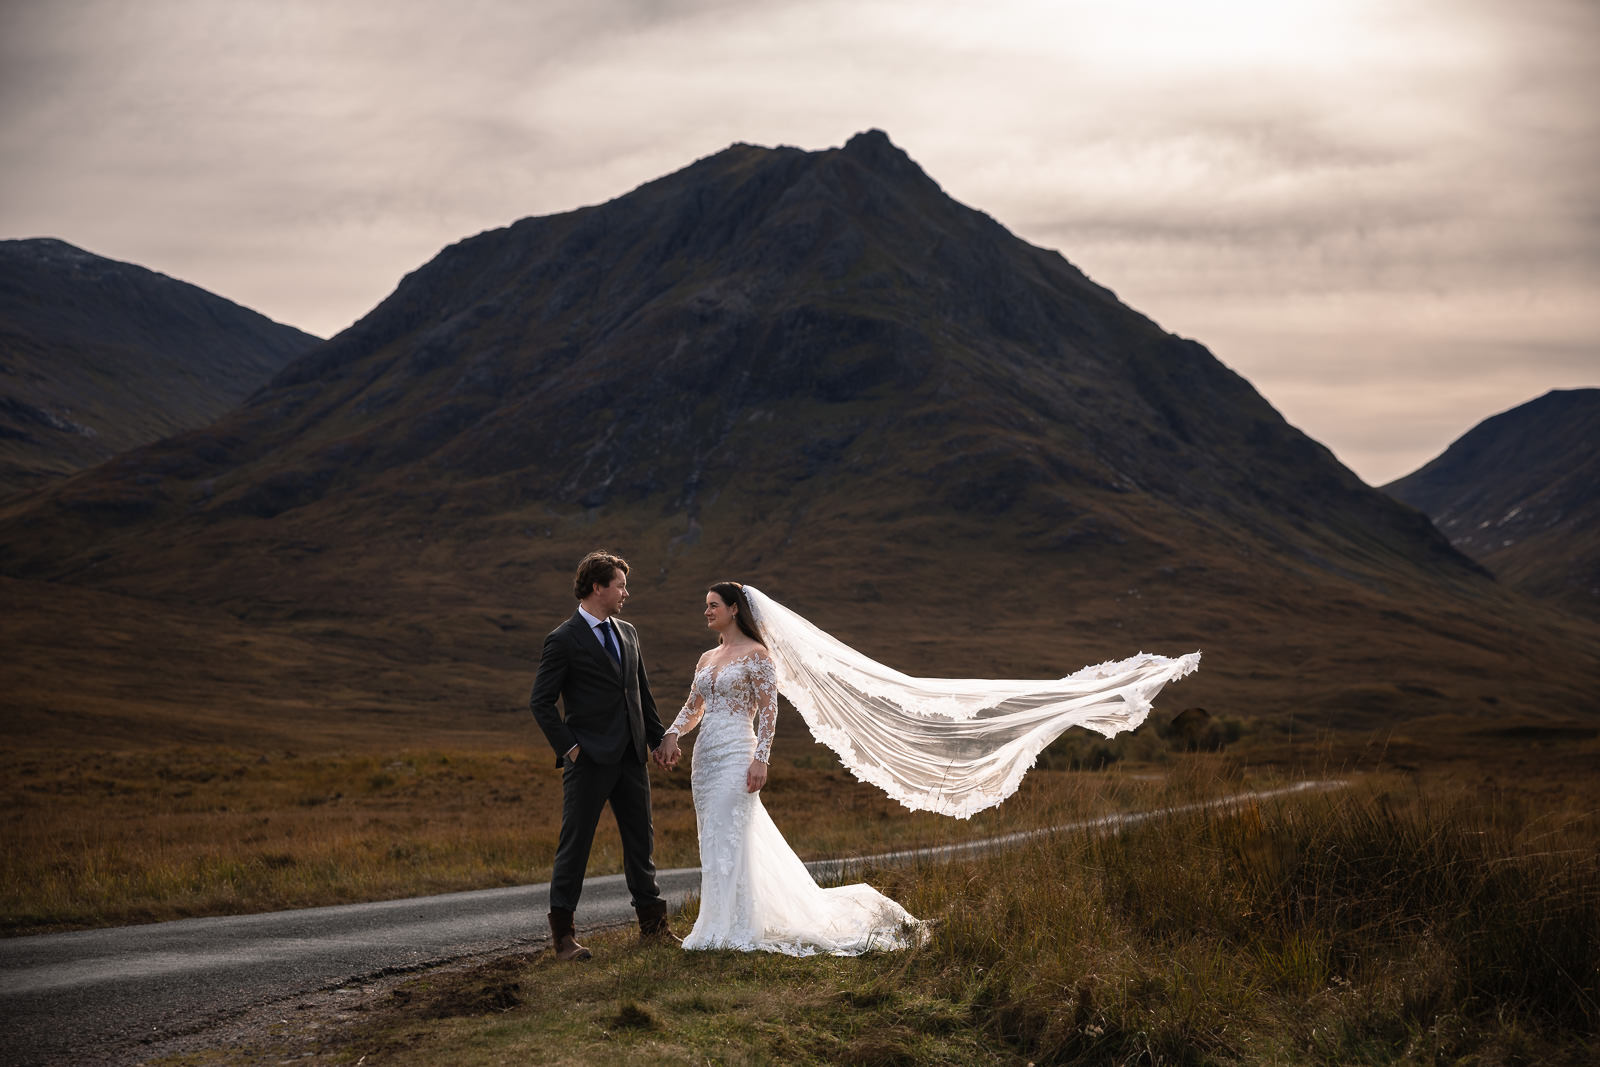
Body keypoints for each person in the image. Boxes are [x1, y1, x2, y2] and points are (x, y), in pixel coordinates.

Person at [653, 582, 922, 955]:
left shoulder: (758, 655)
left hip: (737, 753)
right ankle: (717, 922)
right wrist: (671, 734)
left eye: (713, 605)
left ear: (734, 609)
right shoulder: (706, 658)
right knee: (712, 836)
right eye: (706, 606)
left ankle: (741, 925)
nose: (707, 611)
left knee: (735, 834)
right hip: (705, 760)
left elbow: (769, 710)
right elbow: (693, 706)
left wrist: (761, 758)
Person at [529, 551, 674, 961]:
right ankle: (563, 939)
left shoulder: (628, 632)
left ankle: (654, 928)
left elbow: (640, 694)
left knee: (640, 842)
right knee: (575, 846)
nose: (626, 593)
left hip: (631, 758)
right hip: (588, 761)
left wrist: (657, 739)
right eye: (620, 585)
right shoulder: (563, 639)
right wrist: (571, 748)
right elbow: (541, 702)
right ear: (598, 587)